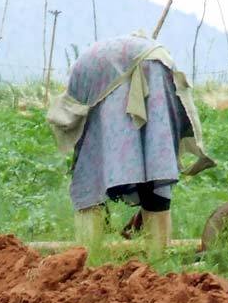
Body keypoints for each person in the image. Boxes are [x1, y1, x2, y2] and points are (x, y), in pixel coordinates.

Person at [47, 34, 213, 250]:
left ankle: (90, 255)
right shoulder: (90, 77)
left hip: (127, 67)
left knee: (90, 175)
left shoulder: (79, 90)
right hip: (158, 64)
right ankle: (158, 255)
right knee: (153, 162)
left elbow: (90, 175)